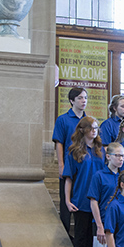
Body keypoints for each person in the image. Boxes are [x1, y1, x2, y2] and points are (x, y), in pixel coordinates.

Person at [63, 116, 105, 247]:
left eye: (96, 128)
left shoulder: (100, 150)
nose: (95, 131)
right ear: (83, 130)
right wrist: (67, 200)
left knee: (94, 239)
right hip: (81, 200)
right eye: (92, 128)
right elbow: (68, 178)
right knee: (81, 238)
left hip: (98, 202)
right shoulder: (74, 151)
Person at [87, 141, 124, 247]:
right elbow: (93, 201)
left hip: (120, 225)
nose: (121, 159)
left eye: (123, 156)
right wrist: (99, 226)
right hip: (102, 223)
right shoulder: (99, 175)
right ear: (108, 156)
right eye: (117, 155)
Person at [52, 87, 88, 232]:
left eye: (85, 97)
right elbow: (59, 142)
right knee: (65, 200)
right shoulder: (63, 119)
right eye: (80, 98)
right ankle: (65, 232)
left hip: (84, 166)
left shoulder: (87, 121)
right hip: (69, 165)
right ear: (72, 100)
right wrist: (61, 164)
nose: (83, 101)